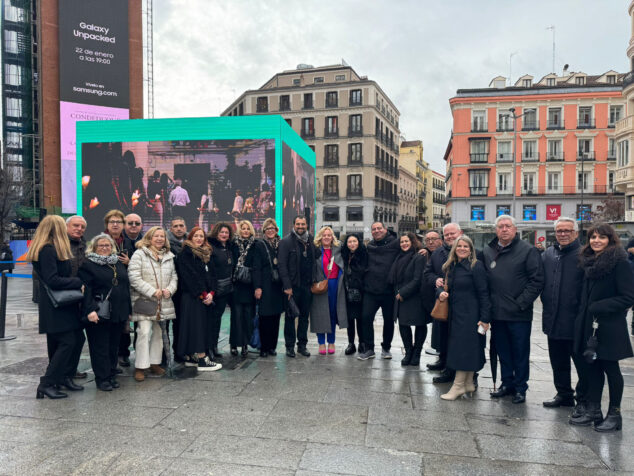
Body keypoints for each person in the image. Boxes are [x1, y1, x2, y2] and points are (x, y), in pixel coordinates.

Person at [570, 223, 634, 432]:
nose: (596, 241)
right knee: (592, 368)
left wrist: (599, 306)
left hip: (609, 325)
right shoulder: (589, 262)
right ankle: (594, 410)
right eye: (593, 237)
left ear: (610, 240)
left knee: (611, 369)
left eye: (602, 237)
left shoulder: (620, 263)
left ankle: (615, 415)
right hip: (590, 325)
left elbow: (628, 297)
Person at [484, 215, 544, 404]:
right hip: (497, 313)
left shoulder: (527, 250)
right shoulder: (488, 251)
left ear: (515, 229)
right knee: (503, 351)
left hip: (519, 314)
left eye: (508, 226)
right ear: (496, 230)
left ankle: (520, 388)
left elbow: (537, 280)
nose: (504, 229)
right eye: (500, 226)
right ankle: (506, 383)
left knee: (520, 352)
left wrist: (521, 303)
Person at [27, 215, 84, 399]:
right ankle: (47, 383)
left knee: (66, 341)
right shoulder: (48, 249)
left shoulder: (47, 248)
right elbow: (52, 279)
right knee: (68, 342)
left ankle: (62, 378)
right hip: (56, 306)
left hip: (59, 305)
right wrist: (77, 282)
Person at [541, 218, 587, 413]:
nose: (563, 234)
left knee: (582, 365)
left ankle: (584, 400)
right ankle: (564, 394)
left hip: (576, 320)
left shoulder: (585, 254)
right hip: (553, 318)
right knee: (558, 362)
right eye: (559, 231)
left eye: (567, 230)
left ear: (576, 233)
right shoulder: (548, 254)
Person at [436, 236, 491, 400]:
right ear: (454, 249)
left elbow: (484, 293)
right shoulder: (451, 266)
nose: (462, 248)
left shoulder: (476, 266)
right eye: (459, 246)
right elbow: (442, 287)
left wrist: (485, 318)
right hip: (456, 314)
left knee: (464, 349)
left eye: (466, 246)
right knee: (465, 348)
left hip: (471, 314)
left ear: (471, 249)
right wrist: (441, 293)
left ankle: (458, 385)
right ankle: (468, 383)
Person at [79, 234, 132, 391]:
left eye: (107, 245)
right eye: (101, 246)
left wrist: (128, 310)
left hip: (118, 312)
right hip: (99, 313)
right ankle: (101, 379)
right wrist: (90, 310)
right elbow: (85, 290)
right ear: (94, 248)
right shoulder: (88, 265)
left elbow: (124, 287)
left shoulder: (117, 263)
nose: (104, 248)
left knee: (113, 347)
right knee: (99, 347)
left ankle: (110, 374)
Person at [128, 227, 178, 382]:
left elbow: (174, 276)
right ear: (149, 238)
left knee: (159, 333)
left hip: (163, 301)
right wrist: (151, 291)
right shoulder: (139, 254)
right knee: (143, 331)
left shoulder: (169, 255)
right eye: (156, 236)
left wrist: (170, 290)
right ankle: (140, 367)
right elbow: (133, 276)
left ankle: (154, 363)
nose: (159, 239)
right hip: (145, 301)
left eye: (162, 236)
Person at [175, 227, 222, 371]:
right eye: (196, 236)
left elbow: (214, 275)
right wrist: (203, 294)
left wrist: (212, 293)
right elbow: (190, 277)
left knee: (199, 326)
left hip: (205, 298)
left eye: (201, 236)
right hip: (193, 297)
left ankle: (192, 357)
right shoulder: (185, 254)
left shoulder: (207, 254)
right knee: (197, 328)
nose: (199, 239)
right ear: (190, 238)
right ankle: (202, 359)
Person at [423, 223, 463, 383]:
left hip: (462, 303)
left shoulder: (467, 250)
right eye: (447, 235)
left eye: (452, 234)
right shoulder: (437, 253)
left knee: (457, 337)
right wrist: (435, 280)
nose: (450, 237)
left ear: (460, 233)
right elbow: (428, 272)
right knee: (442, 334)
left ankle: (454, 369)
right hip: (442, 301)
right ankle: (444, 362)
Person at [357, 222, 401, 361]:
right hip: (370, 290)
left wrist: (422, 250)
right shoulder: (369, 246)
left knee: (388, 320)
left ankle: (386, 347)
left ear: (385, 229)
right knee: (365, 318)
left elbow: (409, 248)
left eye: (379, 228)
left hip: (388, 290)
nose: (376, 231)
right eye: (374, 229)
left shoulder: (396, 244)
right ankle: (369, 348)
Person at [278, 215, 315, 358]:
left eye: (303, 224)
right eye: (298, 224)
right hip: (292, 288)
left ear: (307, 225)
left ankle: (302, 346)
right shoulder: (286, 242)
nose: (300, 227)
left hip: (307, 287)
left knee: (305, 317)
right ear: (294, 225)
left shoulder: (310, 240)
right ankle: (289, 346)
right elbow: (282, 266)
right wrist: (287, 286)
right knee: (290, 317)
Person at [389, 233, 426, 366]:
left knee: (419, 325)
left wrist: (402, 293)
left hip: (415, 297)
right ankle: (408, 352)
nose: (404, 244)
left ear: (412, 242)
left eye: (406, 241)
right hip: (401, 297)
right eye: (402, 242)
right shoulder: (398, 257)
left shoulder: (419, 256)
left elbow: (418, 279)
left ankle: (417, 354)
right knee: (403, 325)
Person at [310, 227, 347, 355]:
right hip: (320, 285)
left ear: (332, 237)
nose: (326, 237)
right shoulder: (315, 251)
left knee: (332, 313)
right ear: (320, 237)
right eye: (324, 235)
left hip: (334, 284)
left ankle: (331, 341)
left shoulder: (338, 250)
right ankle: (321, 343)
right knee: (320, 314)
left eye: (329, 235)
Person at [230, 220, 263, 357]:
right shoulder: (233, 244)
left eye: (247, 229)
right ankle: (234, 344)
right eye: (243, 228)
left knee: (248, 317)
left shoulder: (256, 245)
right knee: (236, 317)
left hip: (250, 287)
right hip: (236, 286)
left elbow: (257, 267)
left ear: (251, 231)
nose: (245, 231)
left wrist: (257, 287)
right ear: (239, 230)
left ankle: (244, 344)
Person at [118, 213, 144, 368]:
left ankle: (140, 354)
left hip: (141, 290)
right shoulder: (119, 242)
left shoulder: (146, 241)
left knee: (141, 325)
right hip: (123, 290)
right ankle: (123, 354)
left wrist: (130, 261)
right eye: (130, 223)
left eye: (137, 223)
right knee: (124, 325)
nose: (133, 226)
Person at [65, 215, 88, 380]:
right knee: (67, 339)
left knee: (78, 338)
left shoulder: (84, 244)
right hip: (64, 296)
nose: (79, 229)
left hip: (79, 297)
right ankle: (63, 372)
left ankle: (71, 370)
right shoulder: (60, 245)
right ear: (67, 226)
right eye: (75, 225)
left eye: (82, 227)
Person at [258, 218, 284, 357]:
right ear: (264, 231)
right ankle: (264, 347)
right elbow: (256, 267)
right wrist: (257, 287)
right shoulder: (260, 244)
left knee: (275, 318)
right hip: (265, 285)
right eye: (268, 229)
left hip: (278, 286)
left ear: (276, 230)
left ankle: (272, 347)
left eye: (272, 228)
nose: (270, 231)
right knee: (264, 318)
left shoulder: (281, 244)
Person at [208, 222, 234, 359]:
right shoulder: (211, 248)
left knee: (217, 319)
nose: (224, 235)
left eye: (226, 232)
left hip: (225, 289)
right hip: (214, 290)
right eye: (221, 232)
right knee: (211, 320)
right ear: (216, 233)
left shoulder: (228, 247)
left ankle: (214, 345)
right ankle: (209, 347)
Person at [341, 234, 367, 355]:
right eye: (349, 242)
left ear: (358, 242)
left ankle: (362, 343)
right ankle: (351, 343)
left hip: (361, 291)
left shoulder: (364, 254)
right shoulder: (344, 255)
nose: (352, 244)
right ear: (346, 244)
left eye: (354, 241)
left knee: (361, 319)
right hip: (347, 291)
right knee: (350, 320)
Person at [166, 217, 186, 361]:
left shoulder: (189, 243)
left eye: (181, 225)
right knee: (164, 325)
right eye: (176, 226)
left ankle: (179, 353)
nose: (179, 228)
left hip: (183, 290)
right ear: (171, 228)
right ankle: (162, 356)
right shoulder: (164, 244)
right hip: (167, 290)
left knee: (180, 323)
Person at [421, 230, 441, 356]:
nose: (430, 242)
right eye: (428, 240)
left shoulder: (445, 253)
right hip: (429, 297)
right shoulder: (427, 253)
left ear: (440, 240)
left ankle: (440, 351)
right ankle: (439, 350)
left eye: (433, 239)